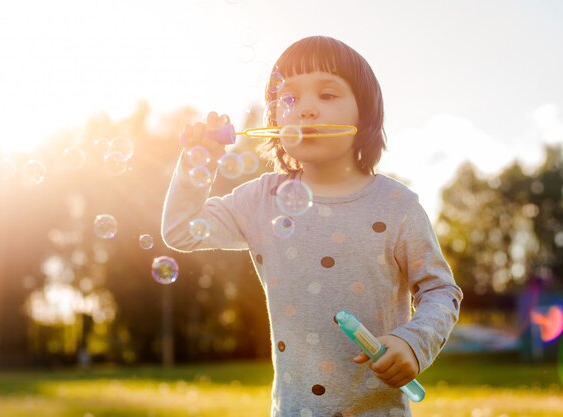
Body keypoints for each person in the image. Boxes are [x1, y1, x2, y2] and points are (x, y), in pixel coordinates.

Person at [161, 35, 462, 417]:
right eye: (288, 99)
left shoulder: (396, 205)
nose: (305, 110)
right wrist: (197, 163)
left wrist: (414, 343)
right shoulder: (261, 200)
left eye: (327, 95)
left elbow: (440, 289)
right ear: (275, 122)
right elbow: (182, 230)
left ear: (364, 116)